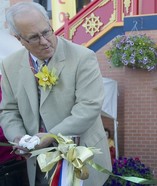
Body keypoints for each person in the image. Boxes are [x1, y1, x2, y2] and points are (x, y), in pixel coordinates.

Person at [0, 2, 111, 186]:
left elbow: (89, 107)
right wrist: (18, 138)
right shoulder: (9, 65)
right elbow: (8, 110)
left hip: (80, 160)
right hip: (37, 165)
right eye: (34, 37)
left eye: (46, 32)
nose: (44, 41)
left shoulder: (83, 57)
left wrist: (52, 136)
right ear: (19, 39)